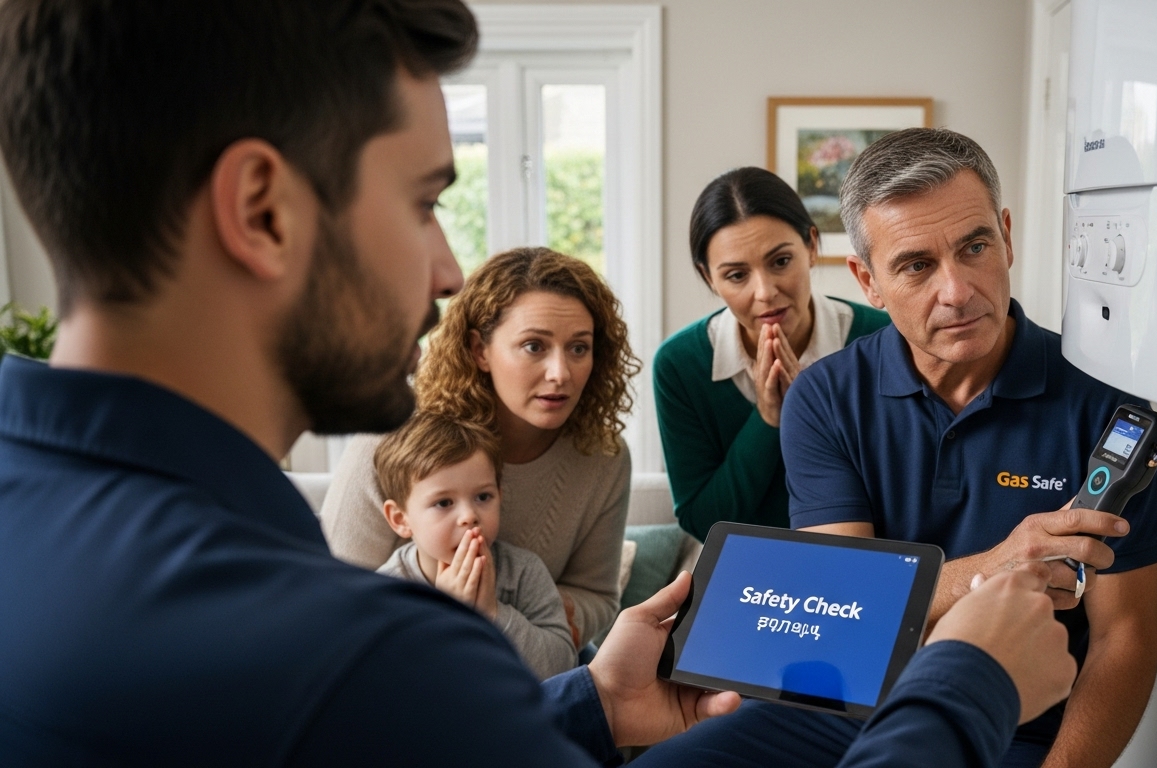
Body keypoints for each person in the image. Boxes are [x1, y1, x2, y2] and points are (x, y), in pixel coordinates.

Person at [0, 2, 1078, 765]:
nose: (445, 271)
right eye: (423, 202)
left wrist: (590, 706)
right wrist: (968, 683)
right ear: (262, 211)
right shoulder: (358, 656)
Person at [636, 129, 1157, 768]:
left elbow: (1124, 638)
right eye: (917, 265)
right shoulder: (824, 398)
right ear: (868, 280)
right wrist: (997, 565)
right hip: (837, 708)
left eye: (975, 247)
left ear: (1007, 237)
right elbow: (841, 609)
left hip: (1014, 723)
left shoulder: (1105, 404)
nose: (957, 291)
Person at [321, 247, 636, 650]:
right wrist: (446, 618)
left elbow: (598, 596)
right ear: (479, 350)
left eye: (578, 348)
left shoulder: (604, 455)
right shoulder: (391, 437)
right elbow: (333, 593)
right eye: (534, 346)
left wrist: (516, 615)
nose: (561, 373)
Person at [655, 167, 890, 540]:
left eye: (780, 262)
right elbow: (703, 521)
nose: (764, 292)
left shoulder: (882, 337)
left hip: (858, 556)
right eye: (736, 275)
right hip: (743, 564)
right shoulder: (680, 364)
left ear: (811, 246)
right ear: (708, 277)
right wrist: (767, 420)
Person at [374, 411, 577, 679]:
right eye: (444, 503)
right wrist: (447, 615)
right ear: (401, 519)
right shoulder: (387, 592)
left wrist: (491, 613)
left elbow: (563, 667)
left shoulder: (523, 572)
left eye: (483, 497)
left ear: (500, 497)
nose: (469, 516)